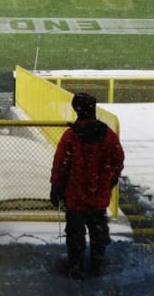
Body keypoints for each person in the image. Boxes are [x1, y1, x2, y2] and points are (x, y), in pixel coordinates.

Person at [49, 92, 125, 279]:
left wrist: (56, 187)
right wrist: (112, 178)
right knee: (98, 230)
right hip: (99, 195)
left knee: (75, 233)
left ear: (76, 109)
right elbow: (118, 159)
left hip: (75, 195)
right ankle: (97, 264)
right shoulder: (108, 135)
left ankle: (76, 267)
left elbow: (61, 164)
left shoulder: (71, 136)